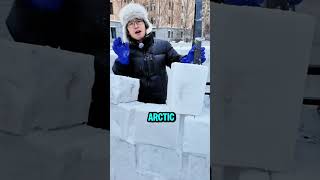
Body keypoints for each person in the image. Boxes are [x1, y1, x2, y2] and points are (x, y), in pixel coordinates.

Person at [112, 3, 206, 104]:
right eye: (130, 23)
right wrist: (122, 62)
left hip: (159, 103)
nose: (135, 26)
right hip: (135, 104)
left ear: (145, 24)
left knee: (158, 120)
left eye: (139, 21)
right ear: (127, 31)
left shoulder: (163, 45)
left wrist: (187, 59)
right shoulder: (125, 51)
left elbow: (176, 62)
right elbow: (119, 77)